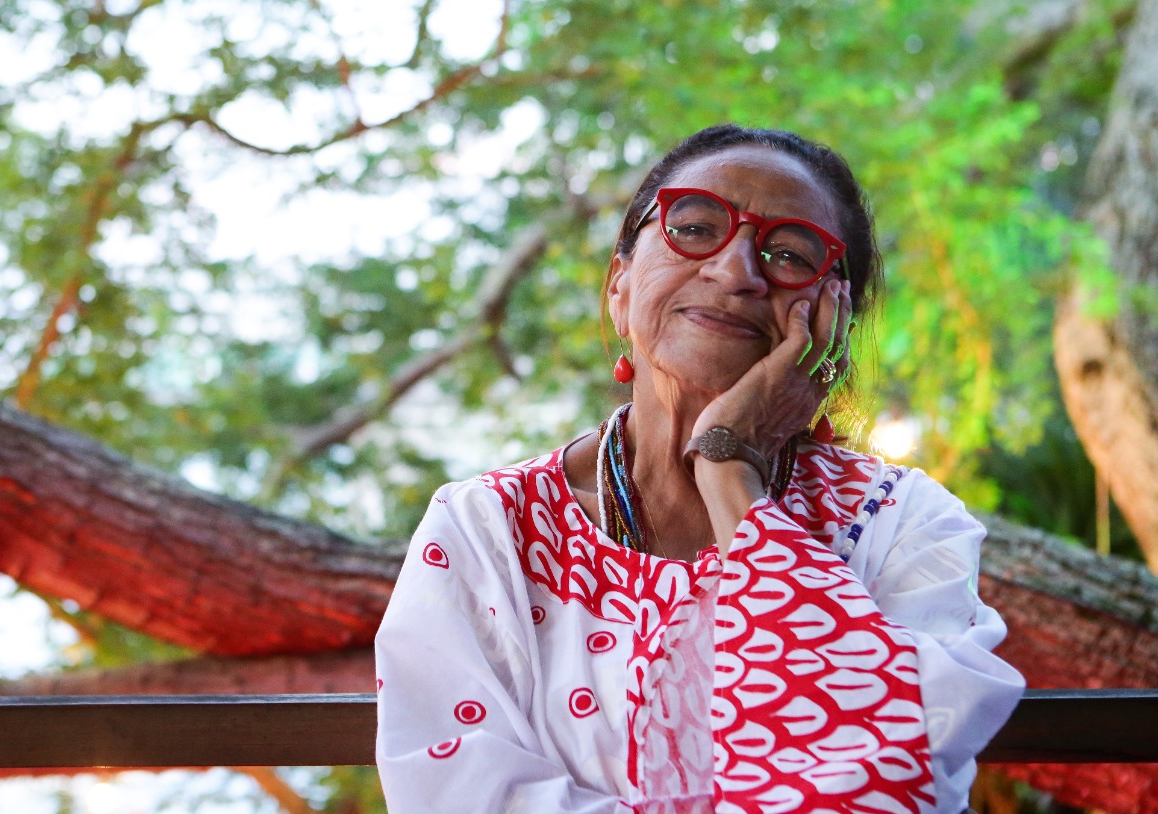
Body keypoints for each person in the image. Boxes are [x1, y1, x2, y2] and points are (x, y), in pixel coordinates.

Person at [374, 124, 1024, 814]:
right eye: (694, 226)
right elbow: (455, 794)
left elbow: (876, 783)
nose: (736, 270)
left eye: (790, 253)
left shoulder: (902, 525)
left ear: (835, 325)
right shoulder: (486, 529)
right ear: (619, 285)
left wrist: (731, 468)